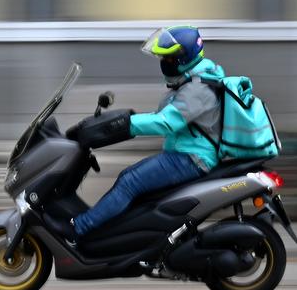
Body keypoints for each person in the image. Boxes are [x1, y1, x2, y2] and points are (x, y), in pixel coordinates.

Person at [46, 25, 223, 244]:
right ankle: (117, 235)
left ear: (183, 58)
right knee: (127, 178)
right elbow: (168, 116)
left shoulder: (198, 88)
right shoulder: (192, 80)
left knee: (130, 182)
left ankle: (79, 230)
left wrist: (125, 124)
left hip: (192, 159)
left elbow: (166, 122)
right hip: (185, 153)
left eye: (168, 58)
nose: (163, 62)